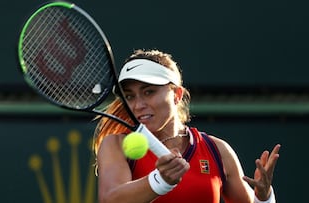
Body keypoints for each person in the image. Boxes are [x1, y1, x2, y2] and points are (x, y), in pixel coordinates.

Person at [93, 49, 281, 203]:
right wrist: (161, 181)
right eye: (130, 96)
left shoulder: (218, 150)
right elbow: (111, 199)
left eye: (148, 92)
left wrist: (264, 198)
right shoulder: (115, 145)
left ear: (177, 95)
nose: (137, 105)